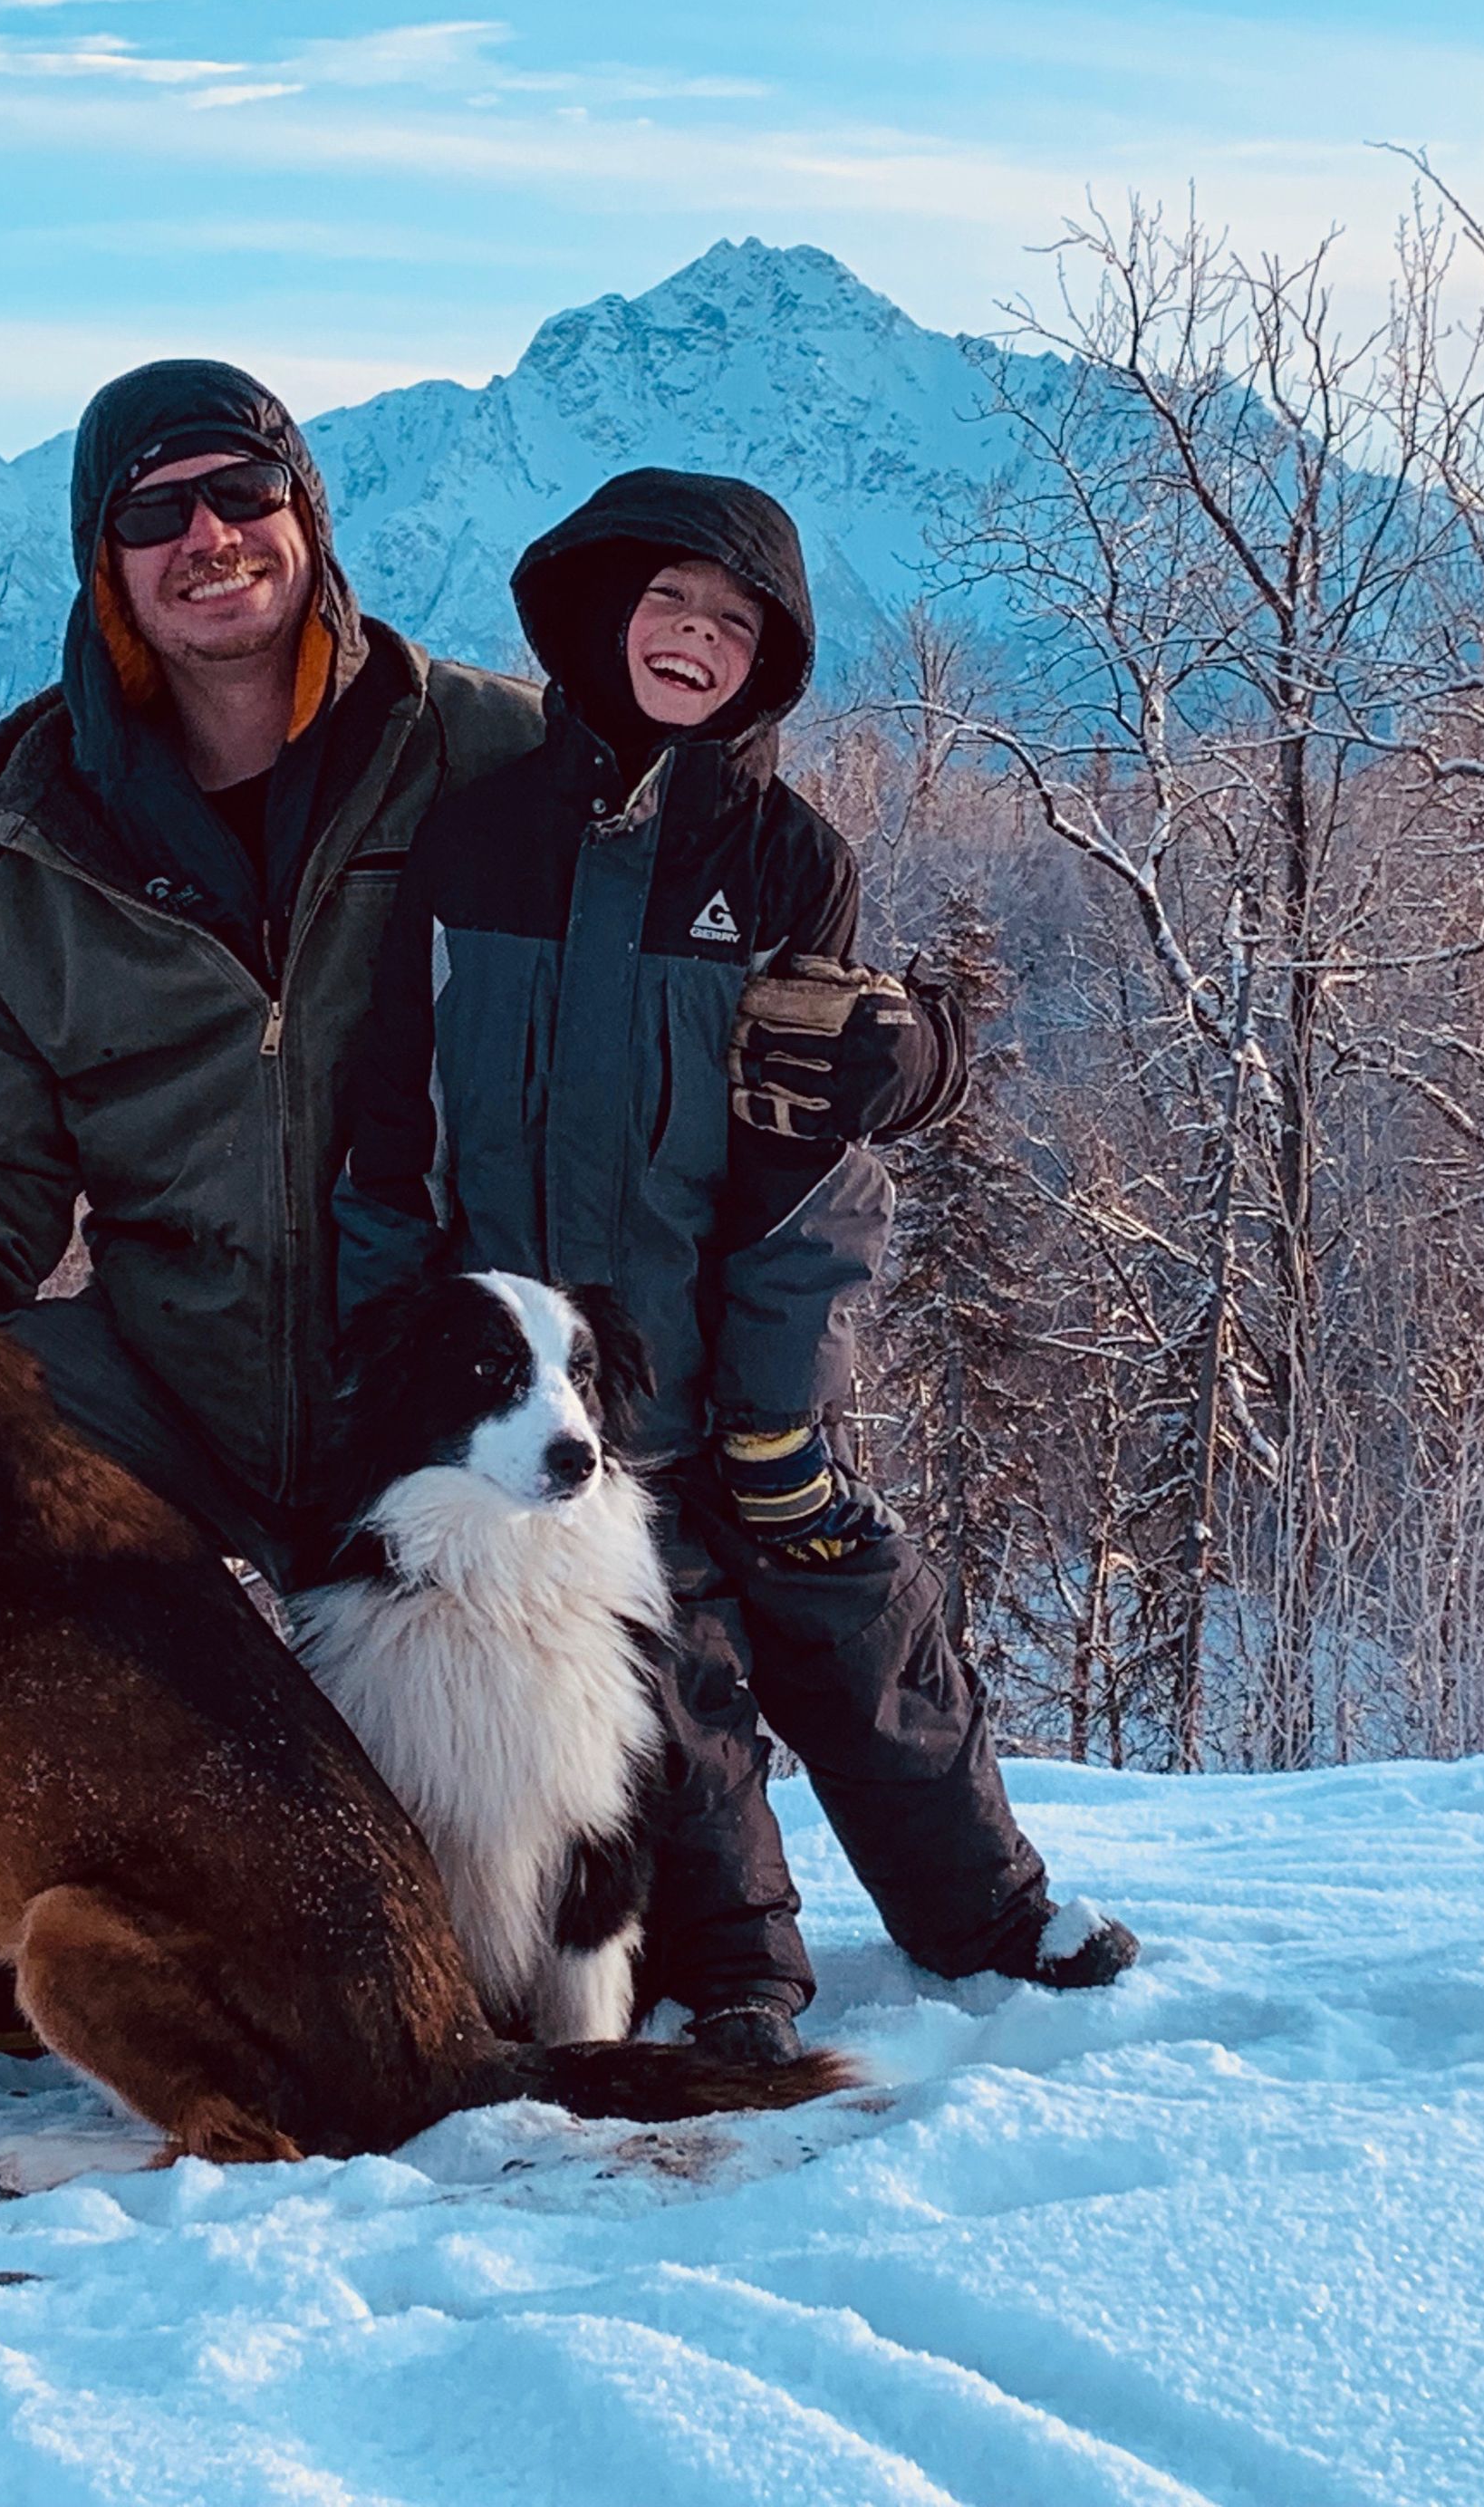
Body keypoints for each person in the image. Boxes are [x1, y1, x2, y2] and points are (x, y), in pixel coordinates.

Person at [0, 358, 543, 2088]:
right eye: (158, 512)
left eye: (246, 493)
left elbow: (687, 879)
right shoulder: (15, 874)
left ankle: (724, 1904)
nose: (211, 536)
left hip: (434, 1392)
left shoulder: (484, 754)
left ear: (309, 515)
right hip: (172, 1376)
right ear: (105, 558)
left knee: (644, 1505)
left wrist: (882, 1041)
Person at [335, 467, 1138, 2068]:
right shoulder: (475, 845)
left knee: (856, 1601)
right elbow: (392, 1120)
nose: (693, 638)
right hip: (537, 1390)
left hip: (722, 1367)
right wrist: (384, 1341)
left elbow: (804, 1161)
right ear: (597, 616)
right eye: (667, 604)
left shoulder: (784, 862)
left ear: (767, 661)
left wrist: (780, 1402)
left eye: (732, 620)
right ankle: (746, 1975)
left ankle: (988, 1914)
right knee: (672, 1668)